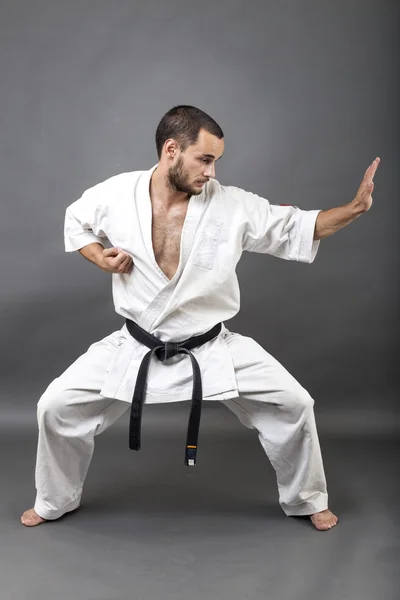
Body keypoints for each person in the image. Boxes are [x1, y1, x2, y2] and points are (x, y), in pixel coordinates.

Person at [21, 105, 379, 531]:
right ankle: (55, 498)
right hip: (137, 344)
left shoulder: (232, 205)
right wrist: (99, 257)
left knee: (295, 403)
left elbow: (295, 227)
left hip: (210, 345)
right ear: (172, 150)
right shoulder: (115, 195)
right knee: (54, 407)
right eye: (205, 159)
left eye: (216, 161)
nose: (212, 172)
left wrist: (354, 208)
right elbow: (76, 221)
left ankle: (306, 498)